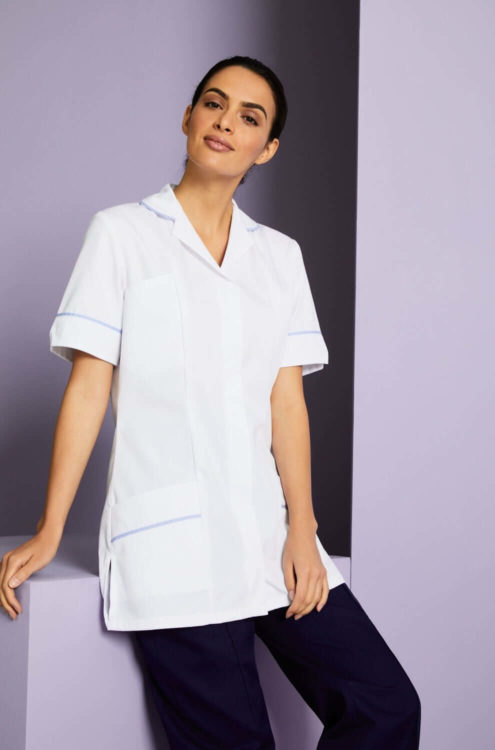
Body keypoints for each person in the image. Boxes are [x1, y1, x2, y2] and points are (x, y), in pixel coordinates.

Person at [0, 55, 421, 748]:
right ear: (188, 117)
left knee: (386, 706)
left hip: (268, 539)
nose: (226, 122)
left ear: (268, 147)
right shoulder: (121, 234)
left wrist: (303, 528)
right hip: (173, 551)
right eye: (214, 104)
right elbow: (89, 387)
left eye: (249, 117)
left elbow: (287, 403)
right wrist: (50, 529)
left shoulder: (279, 256)